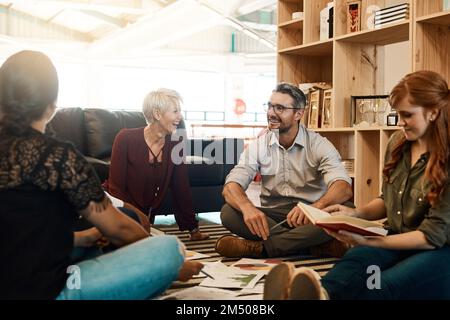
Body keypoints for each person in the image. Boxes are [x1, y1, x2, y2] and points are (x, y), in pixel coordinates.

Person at [0, 50, 203, 300]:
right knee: (169, 249)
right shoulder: (58, 157)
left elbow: (21, 234)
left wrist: (82, 238)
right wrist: (174, 265)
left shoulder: (173, 144)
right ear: (52, 106)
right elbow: (118, 227)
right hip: (46, 290)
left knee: (97, 243)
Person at [264, 71, 450, 300]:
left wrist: (375, 240)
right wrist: (355, 213)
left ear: (433, 112)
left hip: (436, 250)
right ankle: (318, 295)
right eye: (398, 114)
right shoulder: (398, 144)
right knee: (353, 264)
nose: (400, 122)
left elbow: (432, 237)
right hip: (396, 237)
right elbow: (387, 199)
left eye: (407, 115)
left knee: (380, 285)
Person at [215, 82, 353, 258]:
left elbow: (343, 187)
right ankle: (309, 246)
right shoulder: (259, 146)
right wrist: (247, 207)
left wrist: (314, 207)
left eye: (280, 108)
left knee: (343, 210)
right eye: (270, 106)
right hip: (274, 217)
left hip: (312, 216)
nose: (272, 113)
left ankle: (262, 248)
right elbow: (231, 186)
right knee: (228, 212)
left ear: (298, 114)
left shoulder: (319, 144)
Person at [104, 88, 209, 241]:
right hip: (115, 210)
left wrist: (193, 229)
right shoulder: (125, 138)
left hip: (145, 218)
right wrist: (135, 216)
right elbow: (115, 189)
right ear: (157, 114)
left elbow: (181, 188)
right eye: (175, 111)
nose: (180, 117)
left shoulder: (176, 144)